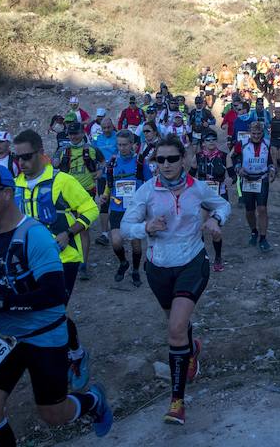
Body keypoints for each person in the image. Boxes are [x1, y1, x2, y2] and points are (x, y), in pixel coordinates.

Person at [0, 165, 112, 444]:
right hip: (2, 337)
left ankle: (92, 400)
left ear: (7, 193)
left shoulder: (35, 235)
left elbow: (53, 295)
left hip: (43, 338)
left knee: (54, 414)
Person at [120, 135, 231, 425]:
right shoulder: (146, 191)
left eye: (172, 158)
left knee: (175, 328)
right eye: (160, 159)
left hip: (192, 261)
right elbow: (125, 227)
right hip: (158, 267)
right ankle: (192, 348)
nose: (166, 164)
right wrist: (145, 227)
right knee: (176, 326)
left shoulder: (198, 188)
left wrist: (215, 221)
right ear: (154, 162)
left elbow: (223, 205)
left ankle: (177, 401)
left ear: (183, 159)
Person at [13, 130, 100, 393]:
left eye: (27, 157)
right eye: (18, 158)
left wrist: (69, 232)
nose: (22, 163)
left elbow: (91, 209)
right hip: (30, 261)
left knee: (53, 311)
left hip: (64, 258)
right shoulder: (15, 185)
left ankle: (73, 356)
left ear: (41, 153)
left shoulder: (62, 181)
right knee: (40, 314)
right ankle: (64, 355)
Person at [54, 121, 104, 280]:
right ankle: (68, 261)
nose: (73, 136)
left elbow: (103, 162)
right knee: (66, 227)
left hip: (86, 193)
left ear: (83, 133)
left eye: (76, 133)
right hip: (67, 196)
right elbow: (53, 165)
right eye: (71, 133)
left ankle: (83, 264)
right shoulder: (62, 150)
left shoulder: (92, 149)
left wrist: (100, 171)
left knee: (83, 228)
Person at [102, 130, 152, 287]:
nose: (121, 148)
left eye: (125, 145)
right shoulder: (112, 162)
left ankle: (136, 270)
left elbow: (150, 184)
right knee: (116, 241)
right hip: (116, 207)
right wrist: (104, 195)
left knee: (135, 244)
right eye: (119, 145)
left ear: (132, 145)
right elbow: (109, 183)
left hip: (134, 209)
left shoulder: (140, 162)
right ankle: (123, 263)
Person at [190, 129, 235, 271]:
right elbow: (189, 177)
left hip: (219, 196)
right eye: (208, 140)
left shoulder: (224, 156)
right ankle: (202, 256)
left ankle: (218, 257)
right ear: (203, 142)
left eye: (213, 139)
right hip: (202, 197)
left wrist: (230, 180)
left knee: (216, 231)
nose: (211, 142)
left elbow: (233, 176)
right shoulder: (197, 157)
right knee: (199, 227)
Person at [232, 121, 276, 252]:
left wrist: (273, 170)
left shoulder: (267, 144)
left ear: (263, 133)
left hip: (261, 179)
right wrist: (238, 167)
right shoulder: (242, 143)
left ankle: (263, 238)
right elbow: (233, 157)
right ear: (249, 132)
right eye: (254, 133)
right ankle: (253, 231)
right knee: (249, 210)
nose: (256, 136)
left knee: (262, 209)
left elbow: (271, 161)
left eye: (259, 133)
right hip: (247, 179)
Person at [93, 118, 118, 246]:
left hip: (117, 176)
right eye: (104, 128)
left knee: (117, 203)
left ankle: (118, 232)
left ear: (112, 126)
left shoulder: (118, 137)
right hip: (103, 176)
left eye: (109, 127)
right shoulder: (97, 140)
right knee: (104, 203)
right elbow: (93, 156)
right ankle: (104, 234)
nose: (107, 130)